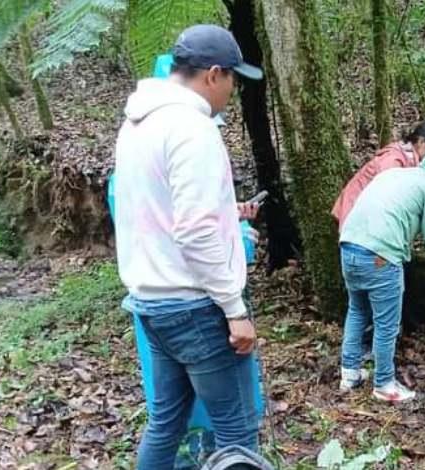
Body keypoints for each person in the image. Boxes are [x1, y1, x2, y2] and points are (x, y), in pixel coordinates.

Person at [112, 24, 265, 469]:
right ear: (213, 75)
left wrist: (224, 210)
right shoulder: (192, 128)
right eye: (233, 79)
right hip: (196, 307)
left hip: (151, 302)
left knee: (167, 422)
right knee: (236, 432)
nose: (233, 91)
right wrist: (234, 309)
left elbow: (158, 208)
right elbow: (195, 231)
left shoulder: (137, 123)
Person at [338, 146, 425, 402]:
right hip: (380, 255)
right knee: (386, 323)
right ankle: (384, 384)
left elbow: (396, 211)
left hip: (349, 245)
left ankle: (350, 372)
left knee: (357, 310)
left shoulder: (396, 175)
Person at [331, 121, 425, 231]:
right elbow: (388, 197)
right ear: (421, 142)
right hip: (355, 216)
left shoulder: (407, 159)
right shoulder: (394, 159)